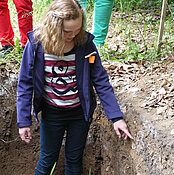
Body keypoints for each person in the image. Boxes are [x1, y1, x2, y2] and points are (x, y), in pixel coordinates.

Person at [17, 0, 133, 174]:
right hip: (52, 113)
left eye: (77, 30)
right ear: (53, 27)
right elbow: (25, 84)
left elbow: (100, 80)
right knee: (47, 159)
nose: (73, 35)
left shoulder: (85, 44)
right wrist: (23, 120)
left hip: (80, 114)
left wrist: (116, 117)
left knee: (74, 160)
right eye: (66, 32)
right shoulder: (36, 45)